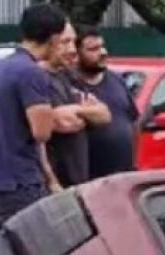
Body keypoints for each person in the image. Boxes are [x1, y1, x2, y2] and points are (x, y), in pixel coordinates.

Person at [0, 4, 66, 224]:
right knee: (35, 249)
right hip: (18, 181)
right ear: (53, 39)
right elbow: (42, 132)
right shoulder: (32, 73)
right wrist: (64, 114)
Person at [39, 22, 110, 191]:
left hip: (78, 180)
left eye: (73, 42)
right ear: (49, 42)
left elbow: (104, 115)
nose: (72, 50)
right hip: (55, 182)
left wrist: (78, 110)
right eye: (65, 42)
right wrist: (52, 181)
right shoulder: (37, 78)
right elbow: (61, 123)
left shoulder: (69, 76)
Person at [74, 25, 141, 178]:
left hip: (122, 177)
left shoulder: (117, 80)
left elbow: (134, 121)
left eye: (103, 46)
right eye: (93, 49)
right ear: (76, 54)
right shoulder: (69, 86)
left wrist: (134, 162)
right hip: (87, 181)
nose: (103, 52)